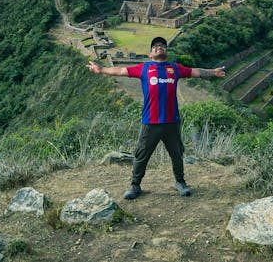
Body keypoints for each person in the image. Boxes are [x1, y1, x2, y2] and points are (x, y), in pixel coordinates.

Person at [87, 36, 226, 199]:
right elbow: (120, 71)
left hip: (171, 121)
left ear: (166, 52)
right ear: (150, 53)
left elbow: (195, 71)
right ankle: (135, 185)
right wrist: (101, 70)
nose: (160, 47)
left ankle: (180, 182)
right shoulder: (144, 68)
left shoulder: (175, 68)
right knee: (141, 155)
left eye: (163, 46)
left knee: (176, 154)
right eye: (156, 46)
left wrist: (213, 72)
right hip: (150, 122)